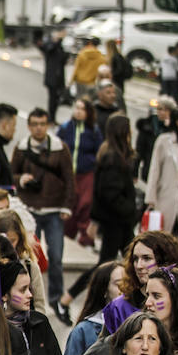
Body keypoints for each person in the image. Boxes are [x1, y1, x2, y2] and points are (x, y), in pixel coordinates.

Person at [10, 108, 74, 317]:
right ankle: (31, 296)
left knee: (56, 256)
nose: (39, 128)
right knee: (29, 257)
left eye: (42, 124)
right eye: (35, 124)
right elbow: (12, 174)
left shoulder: (59, 148)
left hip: (54, 210)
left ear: (47, 125)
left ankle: (56, 299)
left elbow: (69, 179)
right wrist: (21, 179)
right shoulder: (22, 147)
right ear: (29, 126)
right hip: (30, 209)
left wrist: (66, 206)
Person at [92, 114, 139, 263]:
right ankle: (79, 287)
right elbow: (109, 193)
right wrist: (129, 209)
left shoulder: (113, 155)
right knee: (108, 262)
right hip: (116, 220)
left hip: (118, 220)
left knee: (130, 260)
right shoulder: (113, 159)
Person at [58, 97, 102, 248]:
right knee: (69, 206)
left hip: (86, 174)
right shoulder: (65, 128)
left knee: (85, 205)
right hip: (68, 175)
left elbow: (99, 153)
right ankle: (67, 237)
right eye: (76, 108)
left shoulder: (94, 131)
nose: (78, 111)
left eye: (82, 109)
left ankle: (86, 239)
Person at [0, 260, 62, 355]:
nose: (30, 295)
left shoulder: (40, 322)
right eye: (22, 290)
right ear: (5, 295)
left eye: (29, 288)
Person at [146, 107, 178, 244]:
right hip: (166, 197)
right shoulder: (163, 141)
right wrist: (151, 199)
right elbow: (154, 170)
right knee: (162, 240)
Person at [64, 262, 122, 355]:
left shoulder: (141, 323)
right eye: (119, 284)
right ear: (104, 290)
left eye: (129, 283)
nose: (125, 289)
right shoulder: (83, 331)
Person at [39, 28, 68, 121]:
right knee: (52, 99)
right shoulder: (49, 45)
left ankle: (53, 117)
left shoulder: (60, 47)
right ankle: (51, 117)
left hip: (59, 78)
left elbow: (63, 60)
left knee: (57, 99)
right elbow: (49, 49)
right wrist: (58, 40)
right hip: (51, 77)